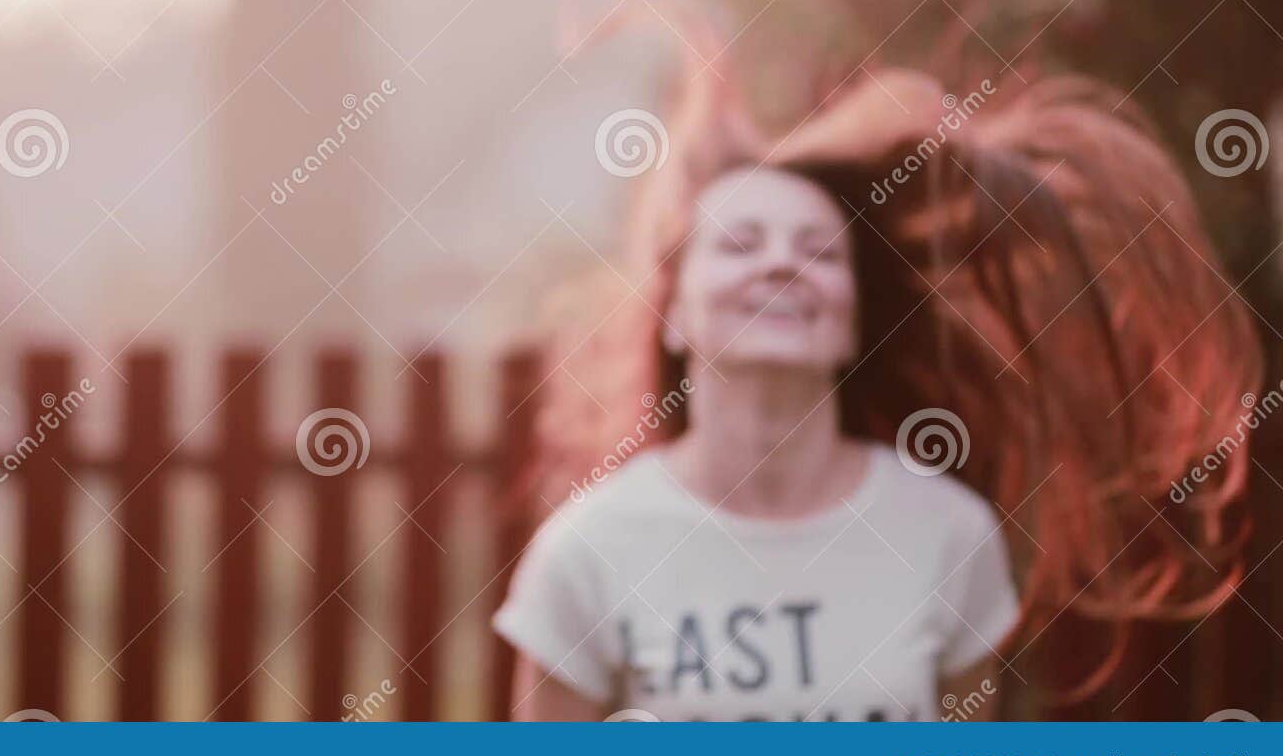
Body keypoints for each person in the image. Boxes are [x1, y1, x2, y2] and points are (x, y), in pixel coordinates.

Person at [493, 66, 1260, 721]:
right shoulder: (587, 550)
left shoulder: (945, 534)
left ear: (851, 321)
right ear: (674, 314)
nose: (780, 265)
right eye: (739, 244)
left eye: (817, 250)